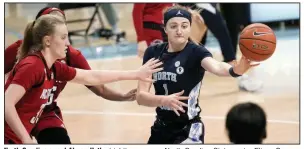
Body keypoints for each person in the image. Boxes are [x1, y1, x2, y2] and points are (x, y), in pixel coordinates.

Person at [4, 14, 163, 144]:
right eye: (64, 37)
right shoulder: (33, 65)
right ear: (47, 41)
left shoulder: (55, 67)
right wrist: (25, 138)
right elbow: (6, 103)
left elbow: (92, 76)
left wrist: (136, 73)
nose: (68, 43)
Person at [135, 5, 259, 144]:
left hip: (189, 130)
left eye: (184, 26)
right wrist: (163, 100)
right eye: (173, 26)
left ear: (190, 28)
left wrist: (235, 70)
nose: (179, 31)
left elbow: (217, 66)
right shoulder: (153, 53)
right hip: (160, 128)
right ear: (165, 28)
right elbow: (141, 97)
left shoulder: (196, 52)